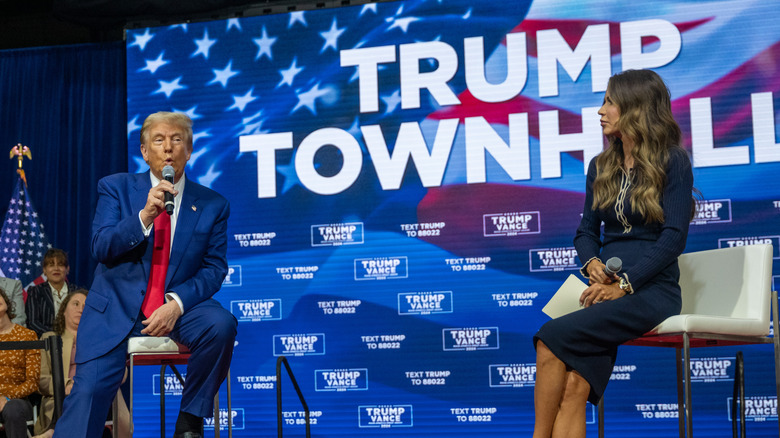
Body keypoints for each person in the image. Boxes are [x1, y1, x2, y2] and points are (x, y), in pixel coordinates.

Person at [52, 111, 237, 438]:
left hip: (178, 309)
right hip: (115, 309)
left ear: (189, 150)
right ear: (144, 151)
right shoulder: (116, 188)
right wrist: (143, 217)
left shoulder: (213, 204)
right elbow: (101, 246)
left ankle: (190, 422)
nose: (168, 149)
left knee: (220, 325)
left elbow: (214, 268)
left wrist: (177, 304)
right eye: (159, 140)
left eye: (177, 140)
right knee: (88, 396)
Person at [532, 69, 695, 438]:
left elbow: (673, 239)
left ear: (635, 107)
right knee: (575, 386)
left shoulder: (673, 160)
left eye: (609, 101)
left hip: (653, 290)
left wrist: (625, 283)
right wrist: (592, 264)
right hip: (603, 289)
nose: (600, 110)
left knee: (549, 338)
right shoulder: (599, 166)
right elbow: (586, 232)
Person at [0, 285, 41, 438]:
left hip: (18, 401)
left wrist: (7, 397)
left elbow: (33, 382)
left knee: (13, 409)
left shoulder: (27, 335)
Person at [25, 249, 79, 337]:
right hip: (47, 342)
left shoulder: (77, 292)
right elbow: (33, 323)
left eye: (60, 265)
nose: (56, 268)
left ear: (67, 269)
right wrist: (57, 336)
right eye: (51, 265)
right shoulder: (35, 291)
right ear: (44, 270)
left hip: (75, 340)